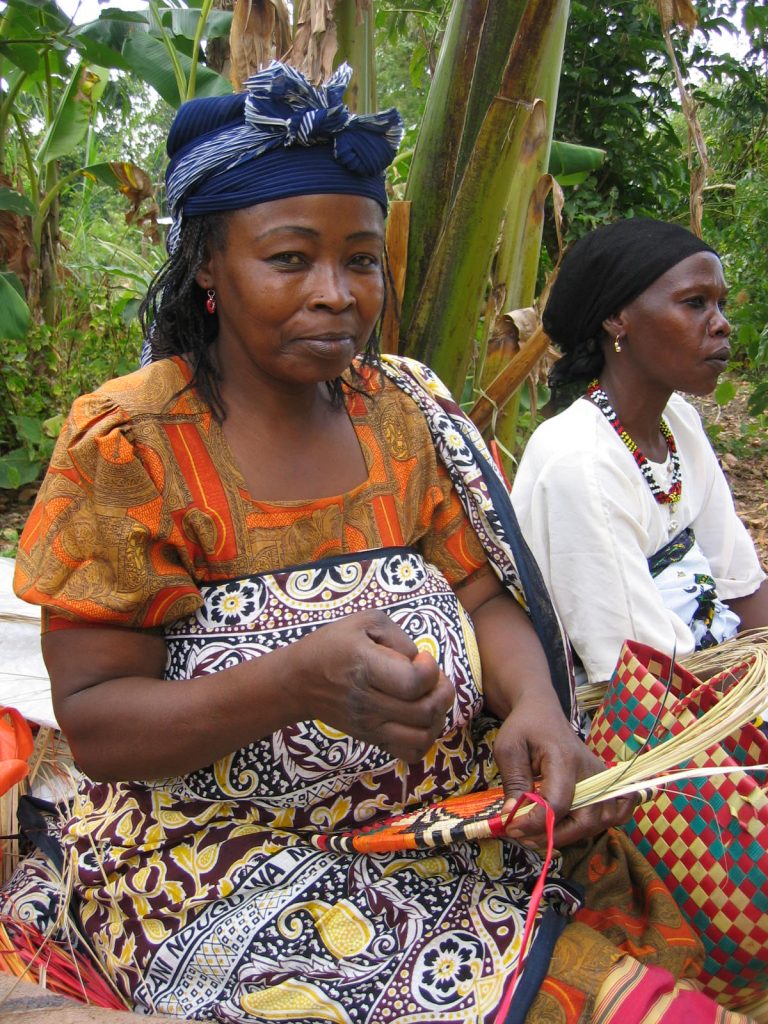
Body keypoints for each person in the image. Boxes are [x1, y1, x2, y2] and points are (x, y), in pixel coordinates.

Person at [7, 68, 750, 1024]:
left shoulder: (400, 410)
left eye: (361, 260)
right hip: (221, 868)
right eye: (288, 260)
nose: (336, 295)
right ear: (206, 267)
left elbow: (482, 598)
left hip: (447, 828)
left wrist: (532, 707)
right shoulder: (134, 444)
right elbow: (100, 724)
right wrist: (291, 683)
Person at [512, 218, 768, 689]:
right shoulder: (579, 461)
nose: (722, 324)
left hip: (726, 684)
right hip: (656, 719)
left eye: (720, 304)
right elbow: (643, 676)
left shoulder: (678, 424)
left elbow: (741, 584)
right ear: (617, 318)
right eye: (695, 304)